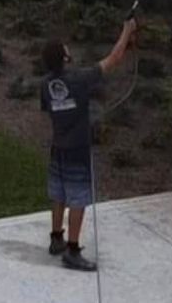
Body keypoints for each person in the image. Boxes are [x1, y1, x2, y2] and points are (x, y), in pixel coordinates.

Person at [40, 16, 139, 271]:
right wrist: (127, 30)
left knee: (59, 193)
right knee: (78, 198)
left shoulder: (46, 84)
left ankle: (56, 239)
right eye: (65, 49)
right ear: (65, 58)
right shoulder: (79, 79)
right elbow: (114, 59)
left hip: (57, 148)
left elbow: (49, 110)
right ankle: (72, 251)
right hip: (77, 150)